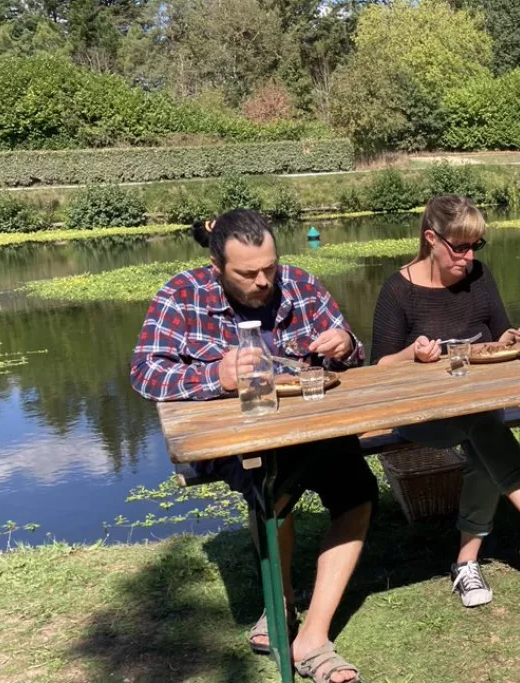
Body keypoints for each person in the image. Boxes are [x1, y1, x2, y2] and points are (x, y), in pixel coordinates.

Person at [130, 210, 373, 683]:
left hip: (313, 429)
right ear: (216, 266)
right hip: (236, 437)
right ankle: (278, 602)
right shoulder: (181, 295)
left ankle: (312, 638)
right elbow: (144, 373)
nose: (263, 281)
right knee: (274, 493)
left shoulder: (301, 285)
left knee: (358, 493)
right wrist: (212, 376)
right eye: (247, 273)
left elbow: (354, 351)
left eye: (270, 268)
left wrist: (344, 343)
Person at [369, 195, 520, 608]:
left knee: (481, 432)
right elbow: (377, 368)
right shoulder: (398, 290)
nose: (469, 257)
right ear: (431, 239)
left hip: (478, 406)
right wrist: (410, 356)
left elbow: (499, 338)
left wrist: (519, 336)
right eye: (460, 247)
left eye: (476, 246)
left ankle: (466, 562)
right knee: (483, 425)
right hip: (420, 414)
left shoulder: (480, 277)